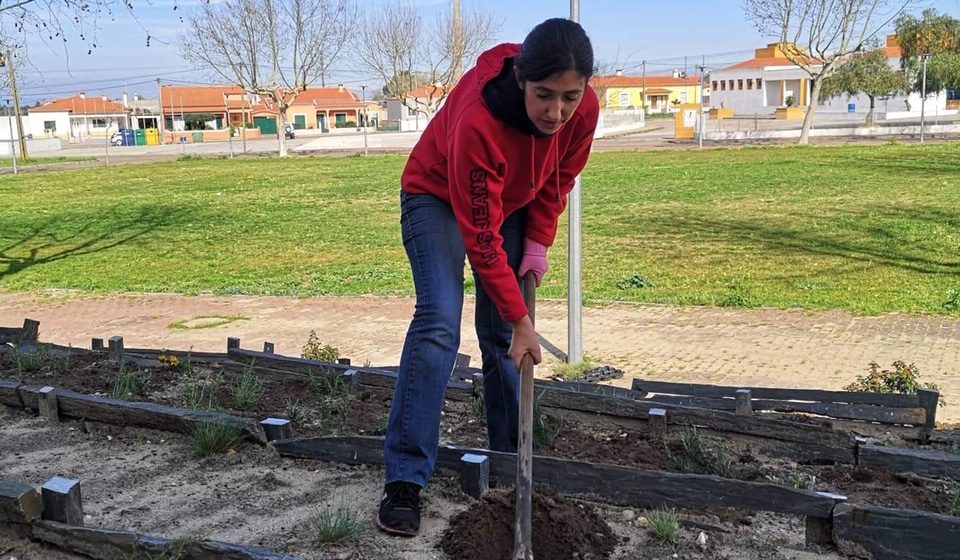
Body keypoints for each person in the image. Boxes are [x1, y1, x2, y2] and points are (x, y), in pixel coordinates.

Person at [377, 17, 599, 537]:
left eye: (569, 97)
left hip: (513, 202)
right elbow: (481, 240)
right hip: (437, 197)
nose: (556, 111)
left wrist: (539, 245)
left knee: (501, 336)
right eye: (544, 95)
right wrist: (524, 318)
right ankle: (405, 480)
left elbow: (558, 178)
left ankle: (508, 461)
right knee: (438, 321)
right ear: (521, 78)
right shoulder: (480, 118)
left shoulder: (582, 111)